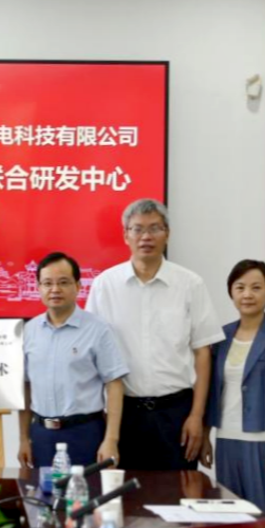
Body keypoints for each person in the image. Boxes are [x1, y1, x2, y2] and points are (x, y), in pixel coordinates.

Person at [86, 198, 224, 470]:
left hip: (177, 414)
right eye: (137, 229)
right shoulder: (105, 286)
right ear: (126, 235)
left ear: (167, 234)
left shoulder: (190, 284)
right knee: (124, 492)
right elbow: (93, 356)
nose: (146, 237)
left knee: (178, 491)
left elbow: (202, 354)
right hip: (122, 415)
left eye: (154, 228)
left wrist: (197, 416)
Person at [204, 260, 265, 513]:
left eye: (256, 287)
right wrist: (206, 436)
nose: (247, 294)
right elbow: (212, 391)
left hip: (264, 442)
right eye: (240, 287)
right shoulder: (221, 337)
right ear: (231, 292)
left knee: (264, 516)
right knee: (230, 515)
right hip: (226, 439)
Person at [17, 252, 128, 470]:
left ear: (77, 286)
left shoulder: (98, 329)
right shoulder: (29, 331)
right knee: (42, 492)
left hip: (84, 433)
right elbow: (25, 387)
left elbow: (114, 384)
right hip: (41, 435)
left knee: (87, 491)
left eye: (63, 282)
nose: (55, 289)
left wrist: (111, 440)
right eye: (47, 283)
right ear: (38, 288)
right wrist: (23, 438)